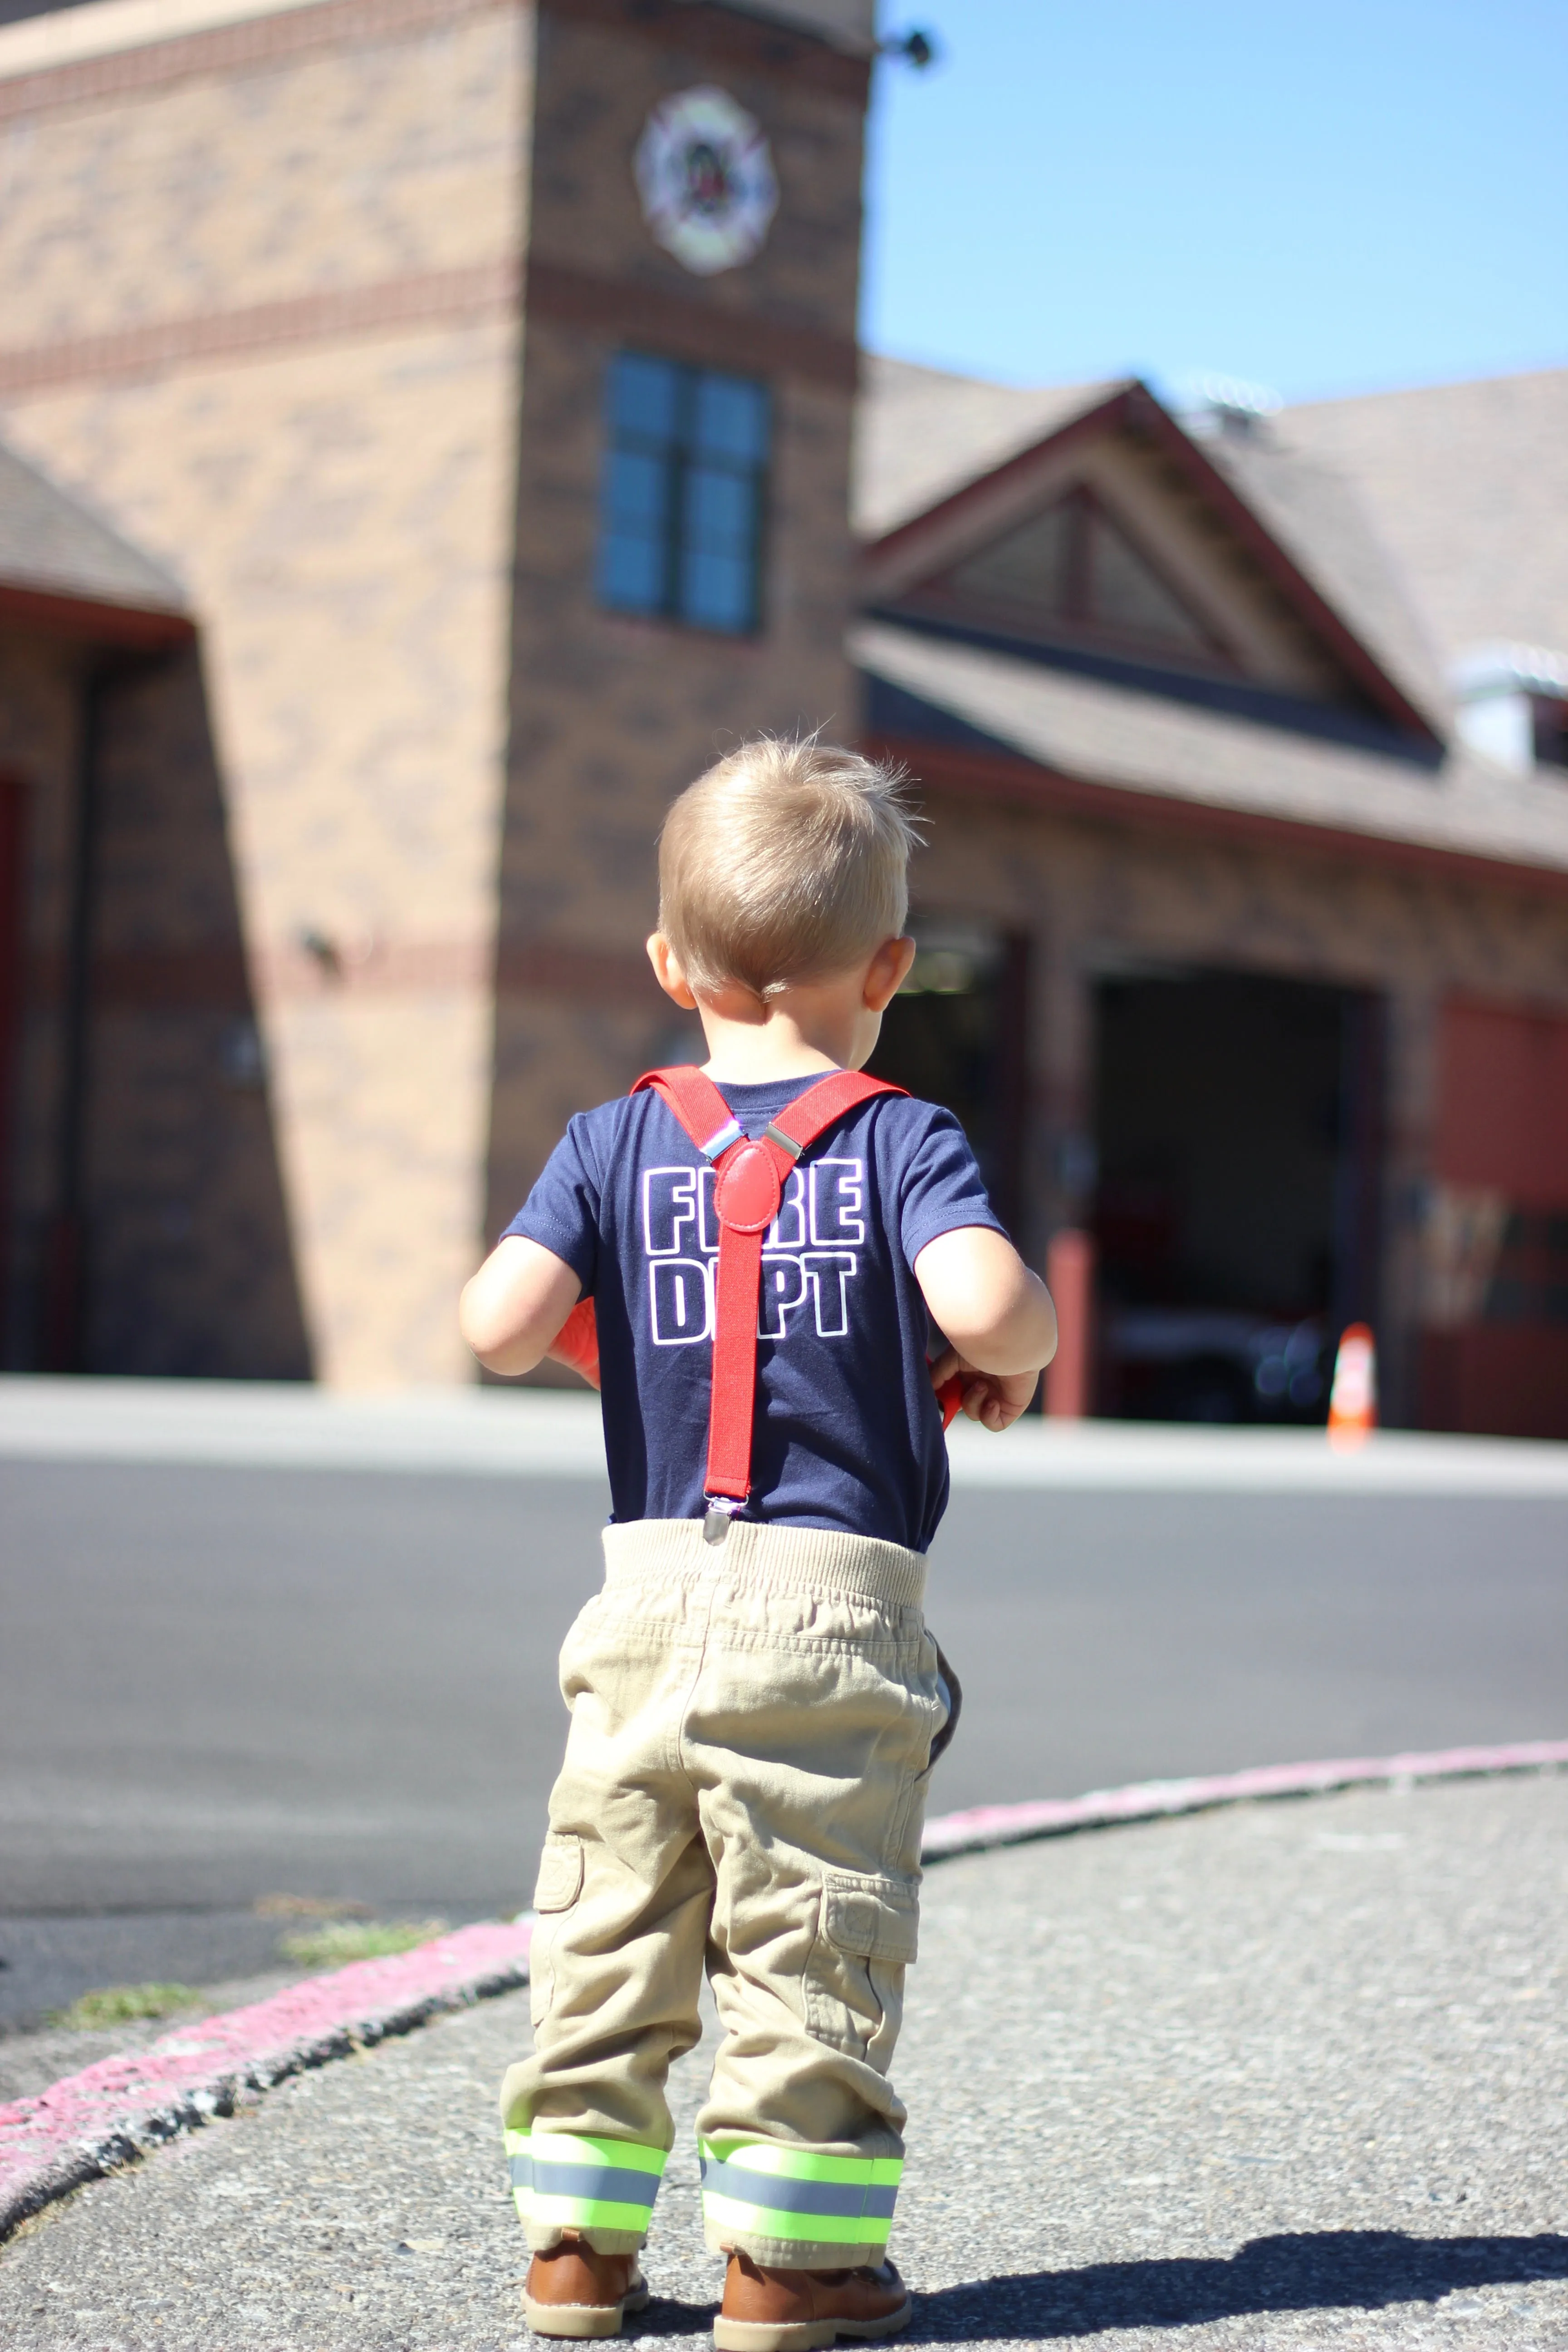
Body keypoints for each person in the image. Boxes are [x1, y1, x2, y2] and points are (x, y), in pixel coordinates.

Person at [460, 739, 1057, 2349]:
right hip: (830, 1606)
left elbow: (499, 1325)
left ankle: (575, 2249)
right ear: (891, 970)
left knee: (610, 1913)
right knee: (811, 1920)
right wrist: (1018, 1347)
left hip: (643, 1594)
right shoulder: (899, 1138)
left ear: (671, 967)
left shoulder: (609, 1138)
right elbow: (988, 1303)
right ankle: (791, 2267)